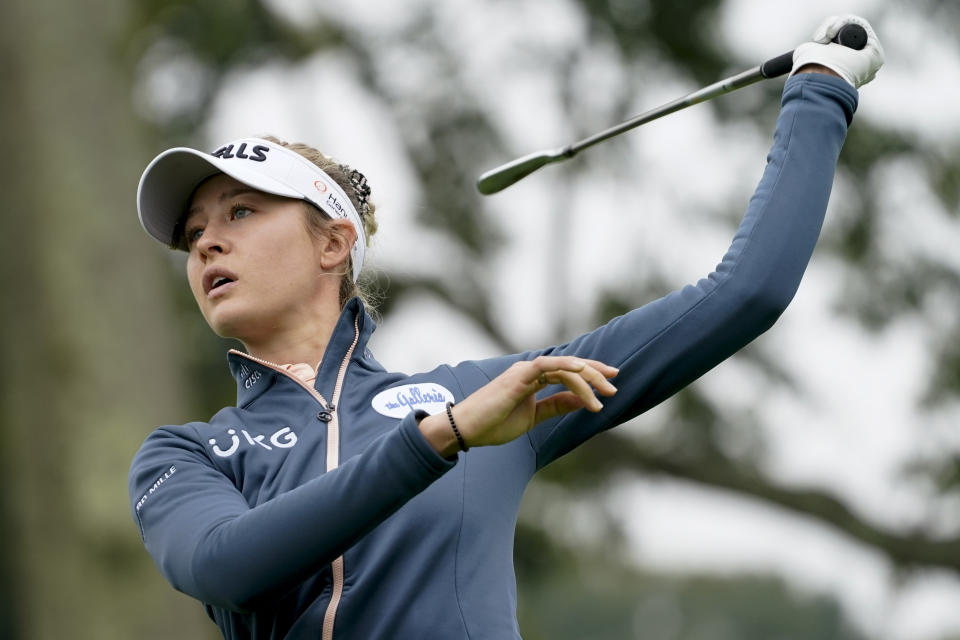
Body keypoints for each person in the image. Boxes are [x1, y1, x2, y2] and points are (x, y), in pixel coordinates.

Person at [129, 15, 884, 640]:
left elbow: (743, 295)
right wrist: (441, 438)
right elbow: (224, 565)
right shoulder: (190, 453)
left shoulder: (489, 398)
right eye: (193, 232)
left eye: (240, 212)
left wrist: (818, 95)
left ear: (333, 244)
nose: (207, 243)